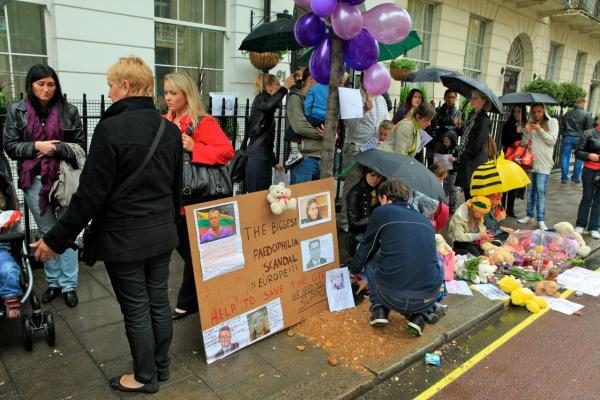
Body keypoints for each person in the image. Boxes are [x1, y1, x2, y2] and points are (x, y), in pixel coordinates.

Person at [31, 56, 183, 394]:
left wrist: (55, 240)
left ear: (126, 86)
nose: (109, 92)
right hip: (161, 233)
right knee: (158, 301)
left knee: (137, 308)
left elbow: (89, 196)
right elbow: (175, 190)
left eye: (111, 86)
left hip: (125, 238)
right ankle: (161, 367)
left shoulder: (111, 129)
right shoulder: (169, 130)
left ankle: (145, 377)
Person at [3, 64, 85, 308]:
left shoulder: (69, 111)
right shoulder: (16, 111)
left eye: (51, 84)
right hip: (34, 181)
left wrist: (56, 148)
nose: (46, 89)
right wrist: (37, 147)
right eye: (41, 84)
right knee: (48, 232)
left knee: (66, 232)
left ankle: (69, 284)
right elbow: (10, 146)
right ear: (30, 84)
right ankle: (54, 282)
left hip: (63, 180)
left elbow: (80, 146)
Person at [162, 72, 234, 321]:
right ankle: (208, 294)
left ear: (187, 94)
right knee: (191, 252)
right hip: (171, 199)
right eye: (166, 92)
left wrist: (195, 148)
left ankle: (188, 301)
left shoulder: (203, 123)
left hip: (198, 199)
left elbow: (226, 152)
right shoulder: (164, 120)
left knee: (194, 254)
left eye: (173, 93)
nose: (168, 98)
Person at [349, 178, 445, 337]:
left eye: (380, 200)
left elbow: (368, 246)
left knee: (369, 253)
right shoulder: (425, 221)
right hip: (426, 299)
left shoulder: (382, 212)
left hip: (391, 296)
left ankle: (379, 309)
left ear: (385, 197)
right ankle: (419, 316)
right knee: (435, 260)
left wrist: (353, 271)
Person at [339, 82, 389, 231]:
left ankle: (364, 220)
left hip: (374, 149)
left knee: (371, 185)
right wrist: (363, 110)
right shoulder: (352, 96)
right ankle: (346, 222)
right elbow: (349, 124)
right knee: (352, 184)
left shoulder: (381, 99)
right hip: (356, 147)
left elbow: (386, 123)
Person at [245, 73, 295, 193]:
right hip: (258, 158)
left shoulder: (267, 109)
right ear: (268, 87)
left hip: (264, 158)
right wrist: (285, 87)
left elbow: (267, 141)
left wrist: (274, 162)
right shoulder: (261, 99)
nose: (279, 87)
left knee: (263, 195)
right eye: (277, 84)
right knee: (257, 197)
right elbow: (268, 105)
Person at [518, 104, 559, 231]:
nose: (537, 114)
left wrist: (539, 129)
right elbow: (524, 143)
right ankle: (529, 215)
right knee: (530, 190)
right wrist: (526, 132)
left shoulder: (552, 122)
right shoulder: (530, 123)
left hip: (544, 162)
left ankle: (540, 219)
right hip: (531, 162)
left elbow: (552, 140)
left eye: (539, 111)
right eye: (534, 112)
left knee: (541, 191)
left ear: (544, 111)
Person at [285, 69, 325, 183]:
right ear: (311, 79)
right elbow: (299, 126)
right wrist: (325, 135)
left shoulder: (321, 99)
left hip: (322, 157)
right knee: (301, 198)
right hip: (305, 159)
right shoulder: (296, 98)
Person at [455, 90, 492, 201]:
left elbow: (479, 142)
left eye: (475, 98)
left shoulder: (484, 119)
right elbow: (465, 134)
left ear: (483, 101)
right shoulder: (473, 116)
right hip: (468, 159)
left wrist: (466, 154)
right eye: (471, 97)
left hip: (474, 161)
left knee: (473, 195)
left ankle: (473, 218)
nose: (471, 100)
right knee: (468, 194)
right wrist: (459, 125)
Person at [346, 168, 384, 255]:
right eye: (372, 175)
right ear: (365, 173)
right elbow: (353, 223)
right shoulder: (354, 193)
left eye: (379, 176)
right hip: (360, 235)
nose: (375, 179)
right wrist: (375, 219)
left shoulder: (381, 189)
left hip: (376, 232)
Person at [501, 105, 528, 217]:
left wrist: (523, 132)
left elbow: (527, 141)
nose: (517, 114)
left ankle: (510, 209)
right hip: (508, 156)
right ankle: (502, 207)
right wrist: (517, 133)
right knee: (505, 184)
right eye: (515, 111)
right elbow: (505, 140)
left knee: (513, 183)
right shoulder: (508, 125)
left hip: (519, 157)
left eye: (519, 111)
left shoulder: (525, 125)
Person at [575, 124, 600, 238]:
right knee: (587, 197)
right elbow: (578, 152)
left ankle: (594, 227)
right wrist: (589, 155)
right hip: (589, 170)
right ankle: (580, 224)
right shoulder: (588, 133)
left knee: (598, 201)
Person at [560, 98, 594, 184]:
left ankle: (564, 178)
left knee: (565, 157)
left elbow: (562, 127)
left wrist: (565, 135)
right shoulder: (587, 114)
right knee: (580, 158)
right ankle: (575, 177)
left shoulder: (567, 114)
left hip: (568, 137)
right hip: (580, 138)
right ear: (583, 104)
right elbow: (589, 130)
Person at [436, 131, 459, 213]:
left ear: (452, 140)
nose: (445, 143)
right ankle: (444, 206)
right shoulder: (445, 148)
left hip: (453, 173)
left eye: (446, 141)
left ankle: (452, 207)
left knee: (452, 189)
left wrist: (455, 159)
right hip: (446, 171)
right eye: (444, 141)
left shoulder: (456, 148)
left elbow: (461, 160)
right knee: (444, 189)